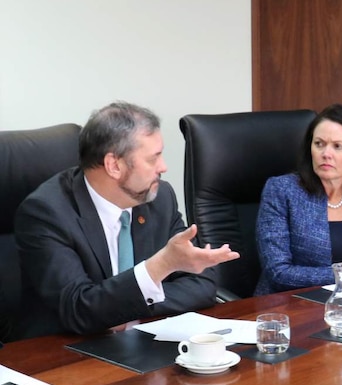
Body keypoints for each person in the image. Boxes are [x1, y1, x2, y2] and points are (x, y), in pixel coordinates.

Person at [13, 101, 239, 340]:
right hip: (63, 354)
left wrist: (127, 308)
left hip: (140, 343)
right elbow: (78, 308)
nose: (163, 167)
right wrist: (160, 267)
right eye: (153, 159)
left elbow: (203, 284)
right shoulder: (46, 213)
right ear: (114, 165)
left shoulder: (160, 198)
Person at [255, 103, 342, 295]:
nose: (326, 154)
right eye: (319, 144)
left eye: (337, 146)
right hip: (290, 306)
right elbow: (278, 272)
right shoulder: (282, 191)